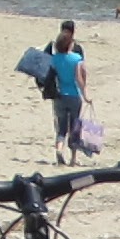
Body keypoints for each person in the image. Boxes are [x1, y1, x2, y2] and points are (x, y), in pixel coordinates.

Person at [47, 19, 89, 165]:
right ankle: (73, 159)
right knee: (74, 127)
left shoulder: (54, 58)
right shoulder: (76, 57)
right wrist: (86, 94)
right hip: (74, 96)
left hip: (59, 96)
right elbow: (80, 77)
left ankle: (59, 149)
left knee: (61, 127)